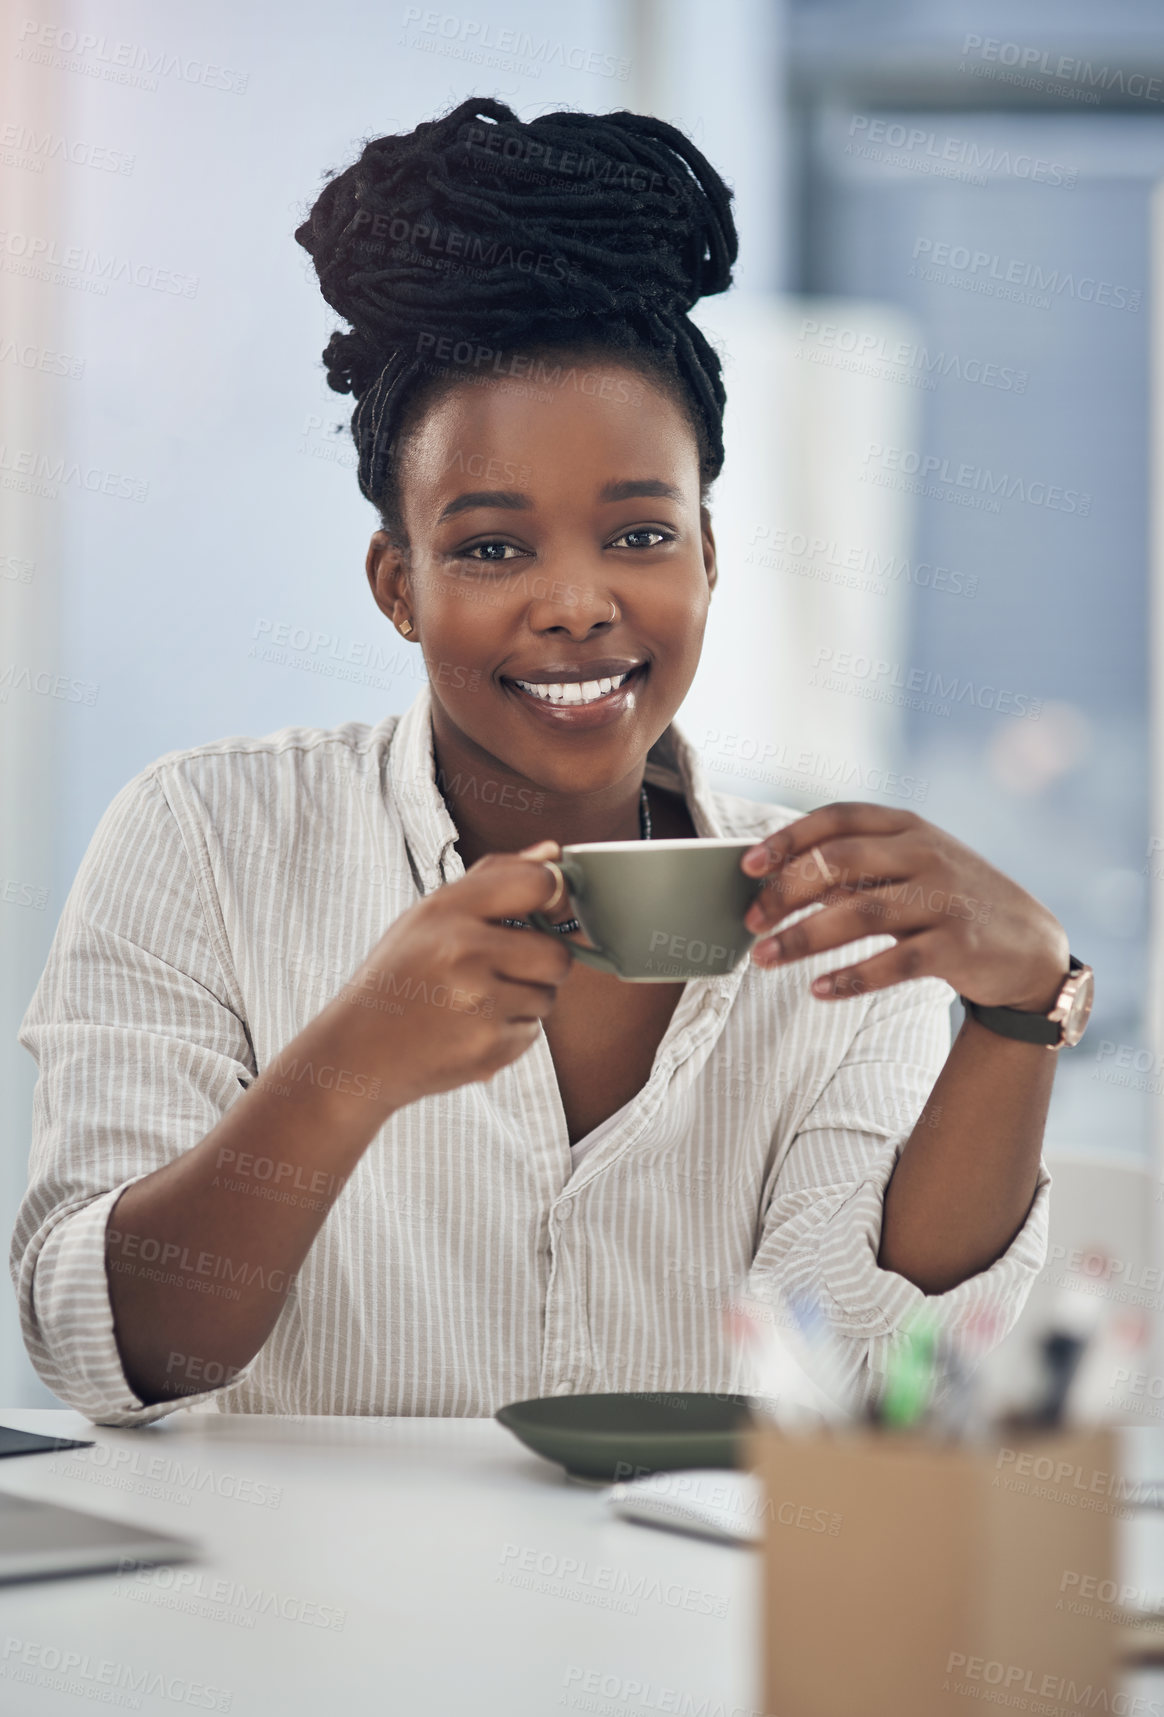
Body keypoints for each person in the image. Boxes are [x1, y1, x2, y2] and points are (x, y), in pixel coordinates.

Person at [10, 97, 1080, 1429]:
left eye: (638, 536)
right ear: (398, 585)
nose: (577, 602)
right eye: (493, 548)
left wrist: (1017, 1009)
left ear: (708, 556)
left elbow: (859, 1392)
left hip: (691, 1631)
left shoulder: (839, 914)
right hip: (295, 1628)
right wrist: (349, 1066)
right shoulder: (204, 835)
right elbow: (104, 1344)